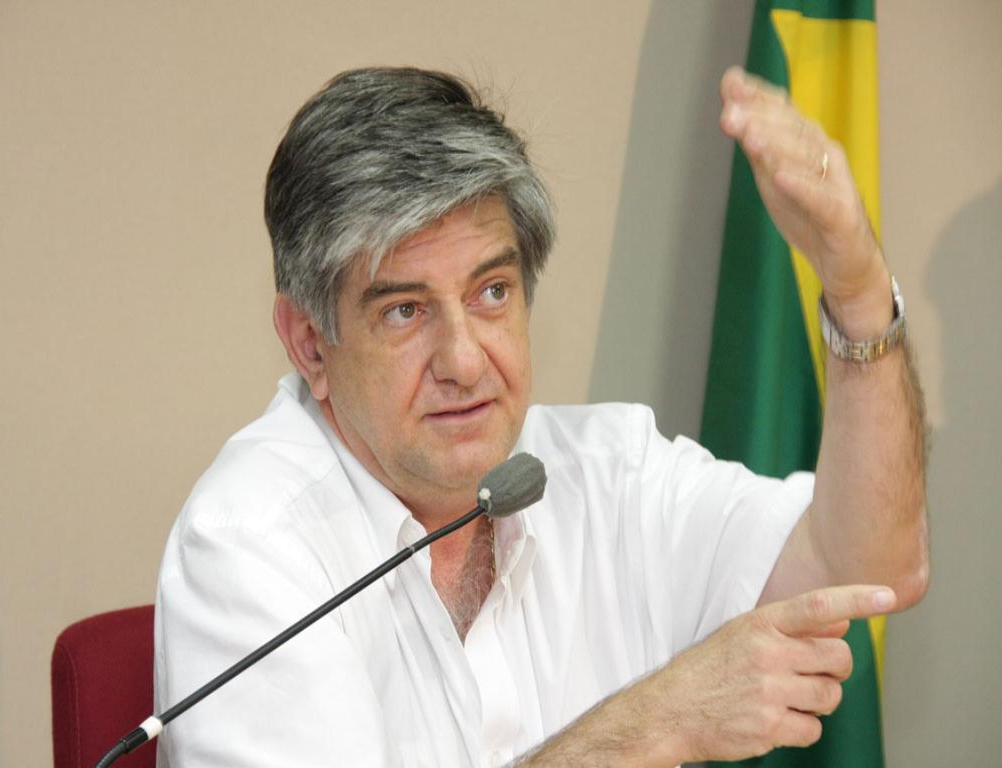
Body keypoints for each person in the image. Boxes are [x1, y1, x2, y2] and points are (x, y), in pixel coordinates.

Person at [153, 67, 927, 767]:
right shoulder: (248, 544)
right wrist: (656, 723)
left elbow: (874, 565)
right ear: (309, 344)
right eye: (404, 310)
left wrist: (857, 291)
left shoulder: (606, 472)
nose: (464, 361)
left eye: (492, 293)